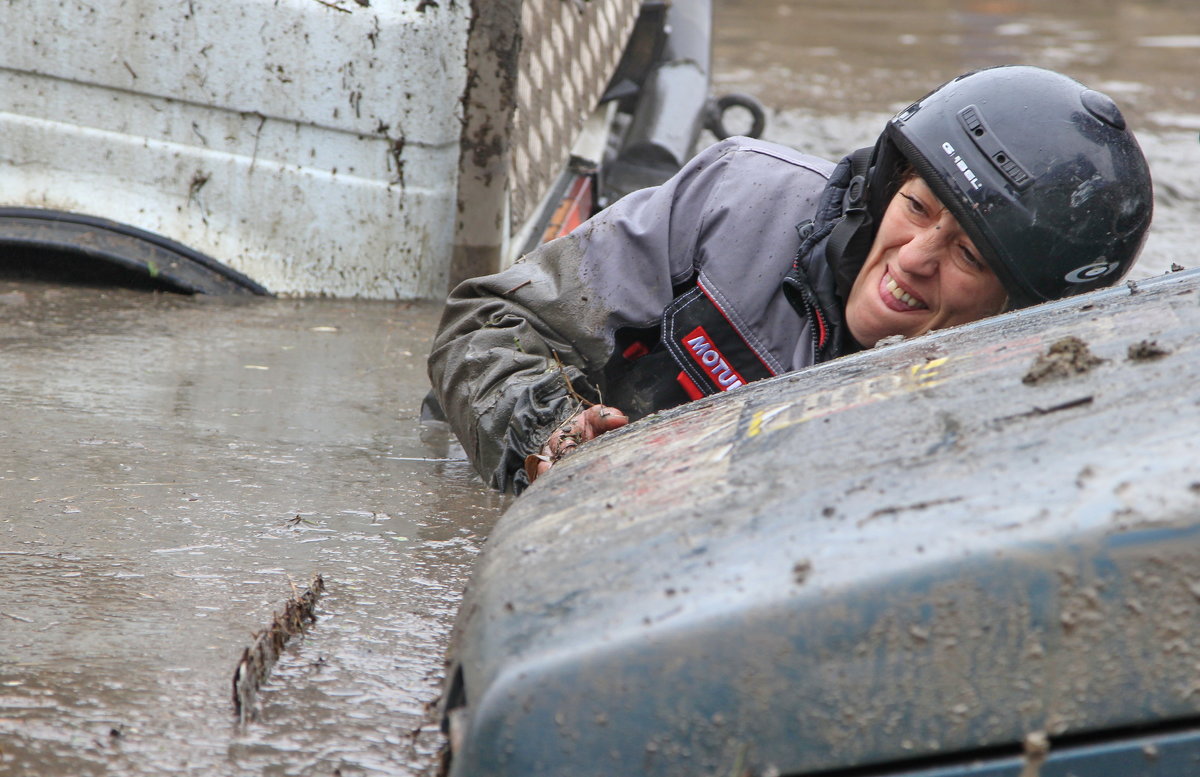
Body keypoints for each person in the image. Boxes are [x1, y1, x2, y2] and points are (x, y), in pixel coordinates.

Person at [428, 65, 1154, 493]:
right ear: (885, 186)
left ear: (1022, 307)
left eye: (967, 255)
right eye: (914, 207)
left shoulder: (1037, 415)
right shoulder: (736, 202)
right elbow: (486, 322)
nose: (911, 258)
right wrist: (545, 435)